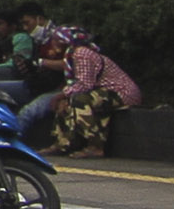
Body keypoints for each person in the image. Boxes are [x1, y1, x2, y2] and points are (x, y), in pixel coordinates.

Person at [26, 25, 140, 155]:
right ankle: (62, 144)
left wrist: (60, 96)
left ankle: (95, 146)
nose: (52, 43)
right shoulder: (71, 55)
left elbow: (84, 85)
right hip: (103, 91)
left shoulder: (81, 53)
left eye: (55, 40)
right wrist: (64, 98)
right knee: (66, 103)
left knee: (80, 100)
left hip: (121, 93)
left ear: (63, 41)